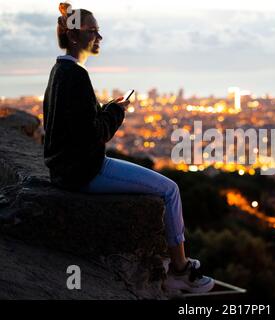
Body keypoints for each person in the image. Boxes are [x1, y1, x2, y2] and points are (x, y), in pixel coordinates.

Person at [42, 2, 214, 294]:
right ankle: (180, 271)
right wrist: (117, 113)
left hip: (64, 169)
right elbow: (97, 133)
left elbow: (77, 123)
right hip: (84, 171)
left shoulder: (60, 71)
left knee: (166, 188)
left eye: (98, 31)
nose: (99, 37)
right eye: (92, 31)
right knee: (170, 190)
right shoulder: (77, 77)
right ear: (74, 37)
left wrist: (109, 107)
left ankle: (178, 268)